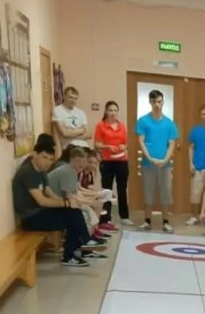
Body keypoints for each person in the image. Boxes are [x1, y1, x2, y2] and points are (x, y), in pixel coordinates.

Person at [12, 138, 98, 267]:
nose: (48, 162)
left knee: (73, 212)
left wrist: (67, 202)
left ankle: (78, 247)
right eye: (44, 157)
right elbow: (42, 201)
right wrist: (66, 203)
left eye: (50, 159)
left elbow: (49, 193)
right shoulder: (28, 173)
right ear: (34, 155)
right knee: (72, 218)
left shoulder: (41, 170)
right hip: (31, 218)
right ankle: (79, 246)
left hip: (41, 212)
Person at [135, 89, 179, 233]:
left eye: (159, 101)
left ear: (163, 102)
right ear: (150, 102)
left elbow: (172, 144)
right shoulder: (143, 121)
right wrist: (149, 158)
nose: (157, 104)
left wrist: (165, 159)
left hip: (165, 165)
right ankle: (147, 221)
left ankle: (165, 222)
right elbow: (141, 141)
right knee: (148, 192)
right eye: (154, 102)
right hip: (148, 163)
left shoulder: (169, 123)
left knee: (166, 193)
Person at [94, 100, 129, 225]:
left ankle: (124, 216)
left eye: (115, 110)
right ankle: (105, 218)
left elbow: (125, 143)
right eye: (110, 110)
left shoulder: (121, 126)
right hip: (107, 162)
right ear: (106, 111)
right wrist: (107, 147)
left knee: (122, 189)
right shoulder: (101, 126)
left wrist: (123, 147)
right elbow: (97, 144)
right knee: (107, 190)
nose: (113, 113)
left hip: (122, 161)